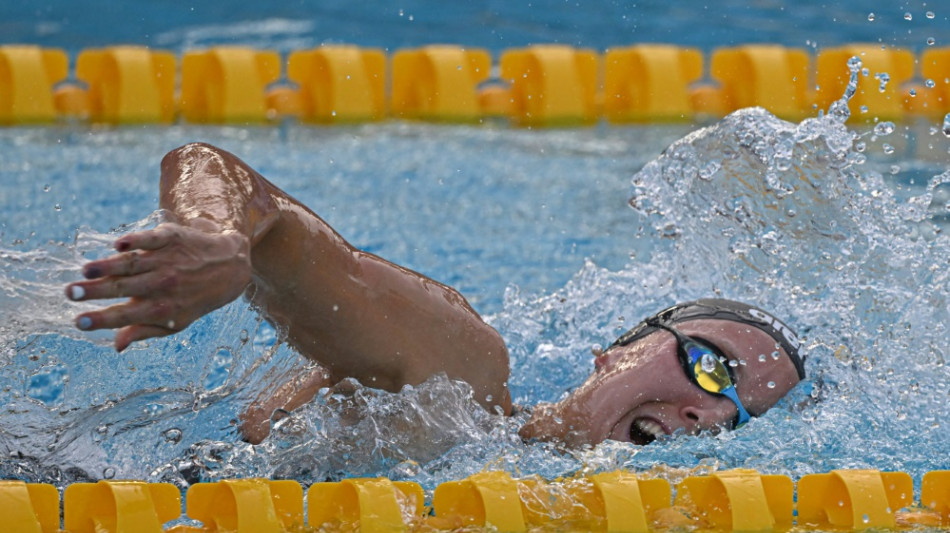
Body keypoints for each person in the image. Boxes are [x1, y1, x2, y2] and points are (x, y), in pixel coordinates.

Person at [64, 142, 805, 446]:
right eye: (713, 366)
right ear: (617, 352)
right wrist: (220, 242)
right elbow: (230, 180)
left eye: (736, 417)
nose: (709, 410)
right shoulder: (464, 382)